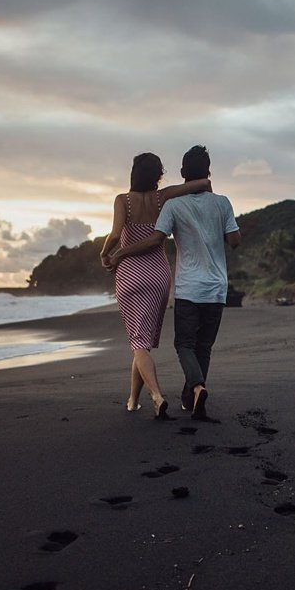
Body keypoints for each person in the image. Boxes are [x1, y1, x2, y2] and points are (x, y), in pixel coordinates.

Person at [107, 146, 240, 421]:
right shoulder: (192, 200)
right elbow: (232, 236)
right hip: (189, 281)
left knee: (165, 343)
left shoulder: (157, 203)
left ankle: (176, 392)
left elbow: (136, 236)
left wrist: (114, 252)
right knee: (192, 345)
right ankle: (166, 397)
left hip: (163, 281)